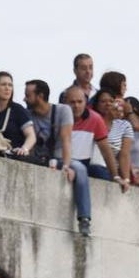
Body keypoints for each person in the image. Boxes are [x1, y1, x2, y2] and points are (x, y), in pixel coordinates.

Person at [24, 79, 92, 236]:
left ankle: (84, 218)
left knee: (80, 169)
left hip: (59, 157)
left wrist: (67, 166)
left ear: (40, 96)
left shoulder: (62, 111)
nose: (25, 99)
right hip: (38, 159)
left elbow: (66, 139)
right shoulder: (28, 115)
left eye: (28, 95)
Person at [63, 87, 119, 181]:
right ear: (65, 102)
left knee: (98, 172)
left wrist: (115, 176)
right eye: (72, 102)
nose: (76, 106)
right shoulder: (58, 115)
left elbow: (106, 150)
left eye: (80, 102)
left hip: (83, 164)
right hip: (61, 161)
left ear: (85, 102)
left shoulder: (95, 119)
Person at [0, 71, 35, 157]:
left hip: (13, 157)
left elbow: (31, 135)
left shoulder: (18, 110)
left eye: (10, 85)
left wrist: (24, 149)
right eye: (3, 84)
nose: (7, 88)